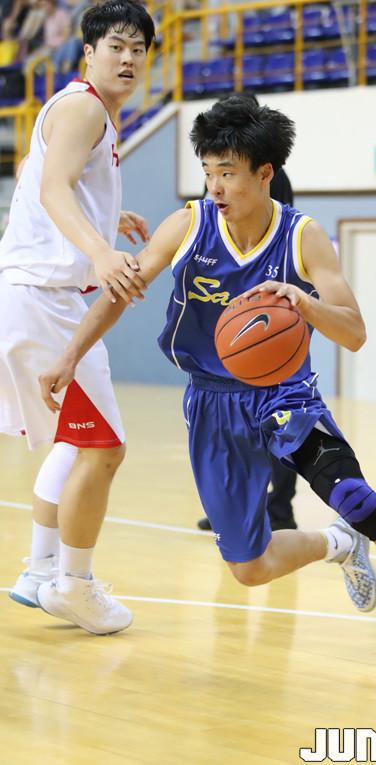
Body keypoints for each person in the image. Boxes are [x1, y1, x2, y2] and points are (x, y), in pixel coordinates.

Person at [40, 94, 376, 681]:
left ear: (264, 173)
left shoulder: (303, 237)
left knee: (357, 497)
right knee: (249, 567)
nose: (215, 186)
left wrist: (304, 302)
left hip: (285, 397)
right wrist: (69, 356)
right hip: (211, 402)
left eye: (228, 173)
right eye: (208, 172)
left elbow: (355, 333)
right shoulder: (188, 226)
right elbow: (121, 292)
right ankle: (337, 545)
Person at [0, 0, 155, 635]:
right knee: (103, 448)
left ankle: (40, 572)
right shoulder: (84, 106)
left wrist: (104, 220)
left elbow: (40, 174)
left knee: (76, 440)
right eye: (116, 46)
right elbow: (51, 186)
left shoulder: (86, 111)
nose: (128, 58)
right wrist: (100, 249)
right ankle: (74, 584)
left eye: (139, 49)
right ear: (88, 51)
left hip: (40, 295)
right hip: (42, 295)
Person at [196, 100, 298, 534]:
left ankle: (281, 507)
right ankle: (237, 506)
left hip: (271, 303)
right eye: (210, 173)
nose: (215, 184)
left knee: (280, 416)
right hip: (230, 306)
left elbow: (276, 237)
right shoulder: (216, 184)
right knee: (230, 421)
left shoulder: (272, 176)